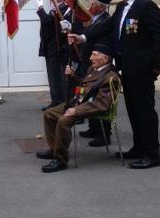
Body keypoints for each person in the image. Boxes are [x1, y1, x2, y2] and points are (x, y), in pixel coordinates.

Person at [68, 0, 160, 170]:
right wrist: (83, 37)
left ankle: (152, 154)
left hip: (142, 70)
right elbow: (106, 26)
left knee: (145, 111)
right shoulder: (122, 7)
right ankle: (139, 148)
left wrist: (154, 65)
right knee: (133, 110)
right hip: (127, 68)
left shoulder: (146, 6)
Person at [36, 44, 120, 173]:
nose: (91, 57)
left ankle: (60, 159)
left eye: (94, 55)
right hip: (78, 102)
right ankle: (54, 149)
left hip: (89, 107)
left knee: (63, 121)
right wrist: (73, 75)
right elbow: (85, 85)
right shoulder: (93, 69)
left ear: (104, 59)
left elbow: (102, 105)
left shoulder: (111, 77)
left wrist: (76, 110)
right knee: (49, 113)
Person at [76, 0, 113, 147]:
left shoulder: (105, 20)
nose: (90, 5)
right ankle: (93, 127)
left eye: (94, 4)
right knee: (89, 94)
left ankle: (104, 134)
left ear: (101, 7)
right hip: (89, 63)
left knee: (100, 97)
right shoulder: (94, 18)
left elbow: (93, 35)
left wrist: (83, 38)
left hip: (99, 64)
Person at [36, 0, 72, 110]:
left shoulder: (61, 9)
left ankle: (59, 102)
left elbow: (47, 22)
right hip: (49, 46)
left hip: (56, 48)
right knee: (52, 76)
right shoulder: (53, 9)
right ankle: (55, 101)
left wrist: (40, 9)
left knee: (57, 77)